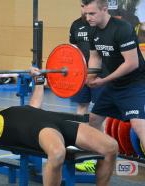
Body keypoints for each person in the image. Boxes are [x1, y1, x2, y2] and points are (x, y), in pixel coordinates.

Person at [0, 67, 118, 186]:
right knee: (57, 154)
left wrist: (39, 80)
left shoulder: (2, 115)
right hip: (42, 131)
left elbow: (34, 104)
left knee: (110, 147)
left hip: (55, 122)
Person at [83, 0, 145, 152]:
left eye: (92, 13)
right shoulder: (93, 30)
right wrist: (91, 77)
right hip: (114, 85)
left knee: (138, 125)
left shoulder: (123, 29)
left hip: (134, 84)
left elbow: (131, 63)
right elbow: (95, 57)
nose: (88, 18)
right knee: (94, 119)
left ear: (105, 9)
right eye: (86, 14)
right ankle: (100, 156)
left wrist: (103, 80)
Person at [69, 3, 106, 173]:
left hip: (101, 75)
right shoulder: (76, 25)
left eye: (89, 7)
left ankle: (99, 151)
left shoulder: (100, 24)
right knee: (81, 108)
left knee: (98, 113)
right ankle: (78, 144)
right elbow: (72, 50)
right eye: (83, 6)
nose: (85, 11)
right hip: (80, 75)